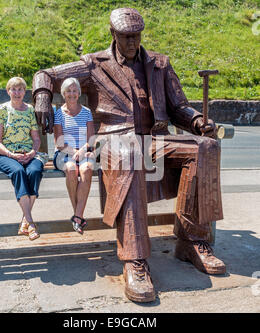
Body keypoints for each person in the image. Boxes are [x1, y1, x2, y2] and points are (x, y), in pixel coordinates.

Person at [32, 8, 226, 302]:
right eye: (126, 37)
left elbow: (179, 107)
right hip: (114, 141)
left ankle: (192, 239)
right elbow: (46, 74)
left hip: (155, 138)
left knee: (205, 147)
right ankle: (135, 260)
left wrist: (198, 121)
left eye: (136, 36)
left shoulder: (159, 64)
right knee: (129, 153)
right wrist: (43, 96)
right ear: (113, 34)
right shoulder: (93, 64)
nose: (133, 42)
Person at [0, 77, 42, 241]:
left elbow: (36, 139)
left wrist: (33, 152)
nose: (17, 92)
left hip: (28, 154)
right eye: (13, 89)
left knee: (35, 170)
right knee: (19, 172)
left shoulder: (29, 110)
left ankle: (24, 221)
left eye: (20, 89)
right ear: (8, 91)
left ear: (24, 92)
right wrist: (11, 155)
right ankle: (30, 222)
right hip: (6, 155)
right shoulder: (2, 110)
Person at [53, 77, 95, 235]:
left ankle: (77, 217)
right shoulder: (59, 114)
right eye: (68, 91)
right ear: (64, 93)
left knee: (87, 169)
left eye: (74, 90)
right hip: (65, 152)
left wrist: (81, 151)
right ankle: (78, 216)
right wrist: (73, 152)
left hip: (84, 151)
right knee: (71, 169)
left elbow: (91, 138)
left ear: (79, 93)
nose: (72, 94)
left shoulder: (86, 112)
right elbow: (59, 142)